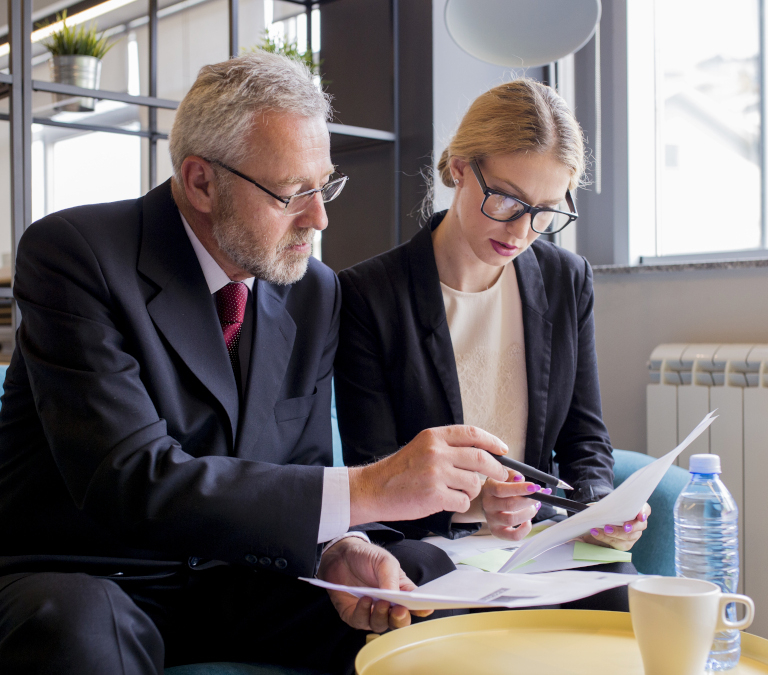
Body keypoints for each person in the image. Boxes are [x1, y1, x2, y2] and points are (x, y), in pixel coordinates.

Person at [0, 52, 513, 675]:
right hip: (98, 575)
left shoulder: (314, 291)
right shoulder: (75, 254)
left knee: (421, 581)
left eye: (325, 186)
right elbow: (129, 479)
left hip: (236, 574)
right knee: (81, 628)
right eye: (292, 193)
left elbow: (302, 467)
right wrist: (370, 488)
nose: (319, 218)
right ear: (200, 182)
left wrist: (340, 547)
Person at [335, 79, 650, 582]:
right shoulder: (368, 294)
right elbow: (376, 470)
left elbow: (585, 437)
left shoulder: (566, 279)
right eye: (507, 200)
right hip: (428, 545)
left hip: (540, 541)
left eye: (546, 211)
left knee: (628, 606)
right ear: (461, 168)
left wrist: (599, 507)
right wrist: (478, 501)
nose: (522, 231)